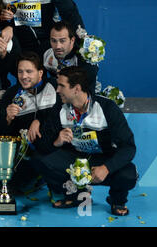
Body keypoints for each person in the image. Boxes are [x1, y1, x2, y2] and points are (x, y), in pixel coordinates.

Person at [32, 66, 137, 216]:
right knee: (39, 159)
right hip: (74, 160)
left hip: (102, 160)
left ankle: (117, 200)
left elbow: (129, 147)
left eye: (62, 86)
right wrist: (57, 141)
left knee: (128, 174)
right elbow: (42, 146)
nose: (57, 90)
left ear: (76, 89)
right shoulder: (59, 108)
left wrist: (106, 168)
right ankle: (73, 194)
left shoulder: (107, 108)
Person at [0, 51, 58, 193]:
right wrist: (7, 119)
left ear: (40, 73)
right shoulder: (11, 94)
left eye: (29, 71)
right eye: (20, 72)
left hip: (52, 148)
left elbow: (64, 113)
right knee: (9, 186)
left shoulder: (54, 86)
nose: (24, 76)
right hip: (24, 153)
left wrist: (39, 120)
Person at [43, 20, 99, 94]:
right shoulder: (46, 53)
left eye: (62, 41)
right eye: (53, 41)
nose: (57, 46)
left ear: (72, 40)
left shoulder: (83, 60)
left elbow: (86, 94)